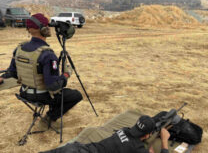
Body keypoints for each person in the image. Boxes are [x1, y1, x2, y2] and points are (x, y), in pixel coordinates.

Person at [0, 13, 83, 122]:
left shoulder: (19, 49)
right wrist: (66, 74)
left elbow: (12, 73)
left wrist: (2, 78)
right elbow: (53, 86)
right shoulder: (47, 54)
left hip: (24, 93)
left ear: (28, 29)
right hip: (42, 97)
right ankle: (50, 118)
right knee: (76, 95)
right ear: (44, 29)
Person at [40, 115, 170, 153]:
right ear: (147, 135)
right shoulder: (137, 148)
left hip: (75, 149)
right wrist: (164, 140)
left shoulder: (124, 130)